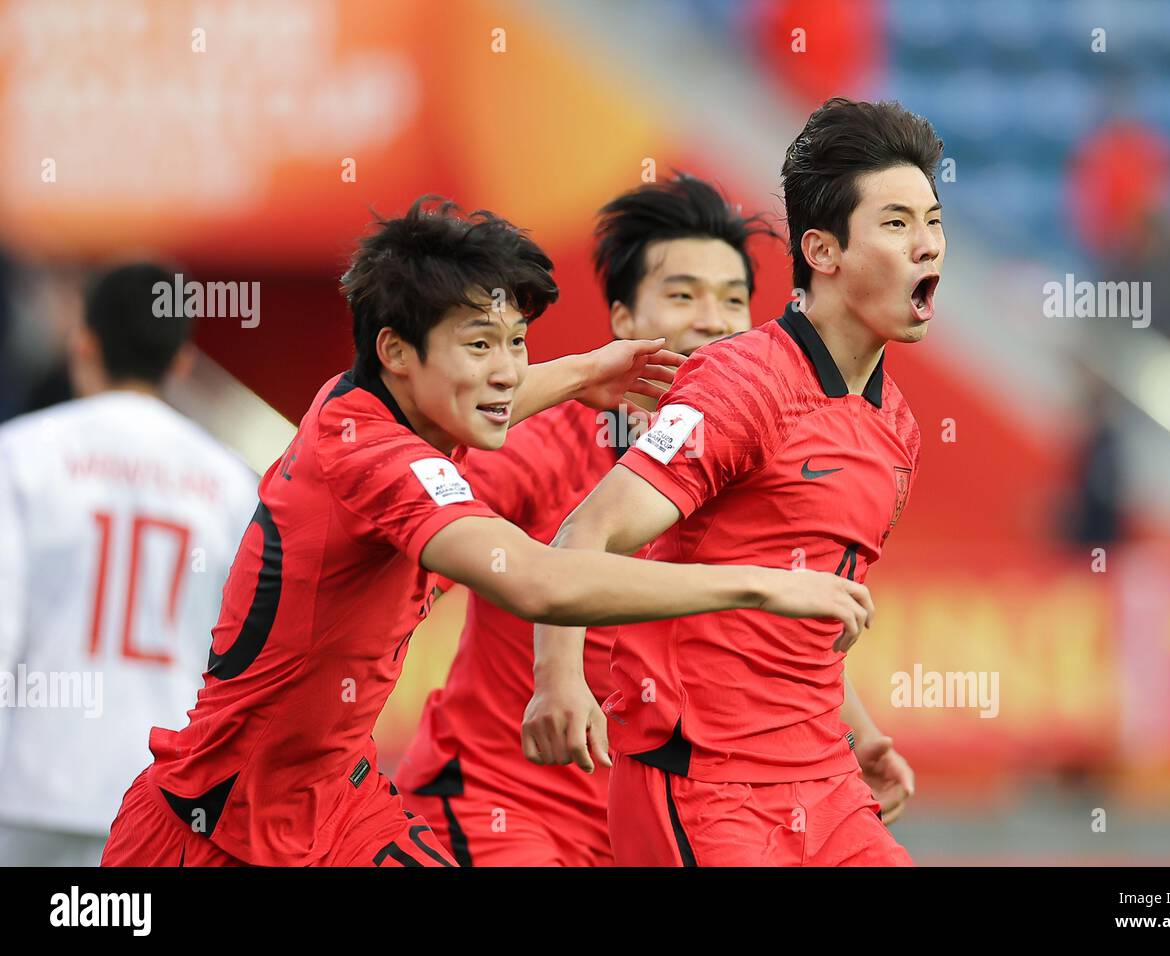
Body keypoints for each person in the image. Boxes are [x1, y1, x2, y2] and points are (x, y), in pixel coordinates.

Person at [98, 197, 875, 867]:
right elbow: (539, 580)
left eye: (515, 343)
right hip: (212, 824)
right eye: (481, 345)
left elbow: (475, 396)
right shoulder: (377, 459)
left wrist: (577, 371)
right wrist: (764, 586)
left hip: (338, 807)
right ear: (396, 352)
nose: (506, 370)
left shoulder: (377, 403)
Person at [398, 174, 903, 866]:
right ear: (625, 323)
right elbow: (408, 473)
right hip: (509, 806)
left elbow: (759, 634)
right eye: (683, 295)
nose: (713, 320)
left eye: (733, 300)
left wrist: (861, 733)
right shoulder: (543, 448)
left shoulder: (746, 458)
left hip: (655, 818)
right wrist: (559, 677)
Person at [524, 98, 942, 867]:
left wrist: (863, 733)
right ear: (823, 251)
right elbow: (584, 535)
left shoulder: (900, 428)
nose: (926, 246)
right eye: (896, 224)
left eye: (934, 222)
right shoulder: (744, 381)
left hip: (825, 776)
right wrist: (558, 680)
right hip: (704, 781)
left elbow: (802, 608)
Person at [0, 263, 259, 865]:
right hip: (166, 798)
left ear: (83, 344)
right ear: (181, 364)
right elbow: (243, 657)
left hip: (33, 788)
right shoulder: (231, 483)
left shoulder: (21, 456)